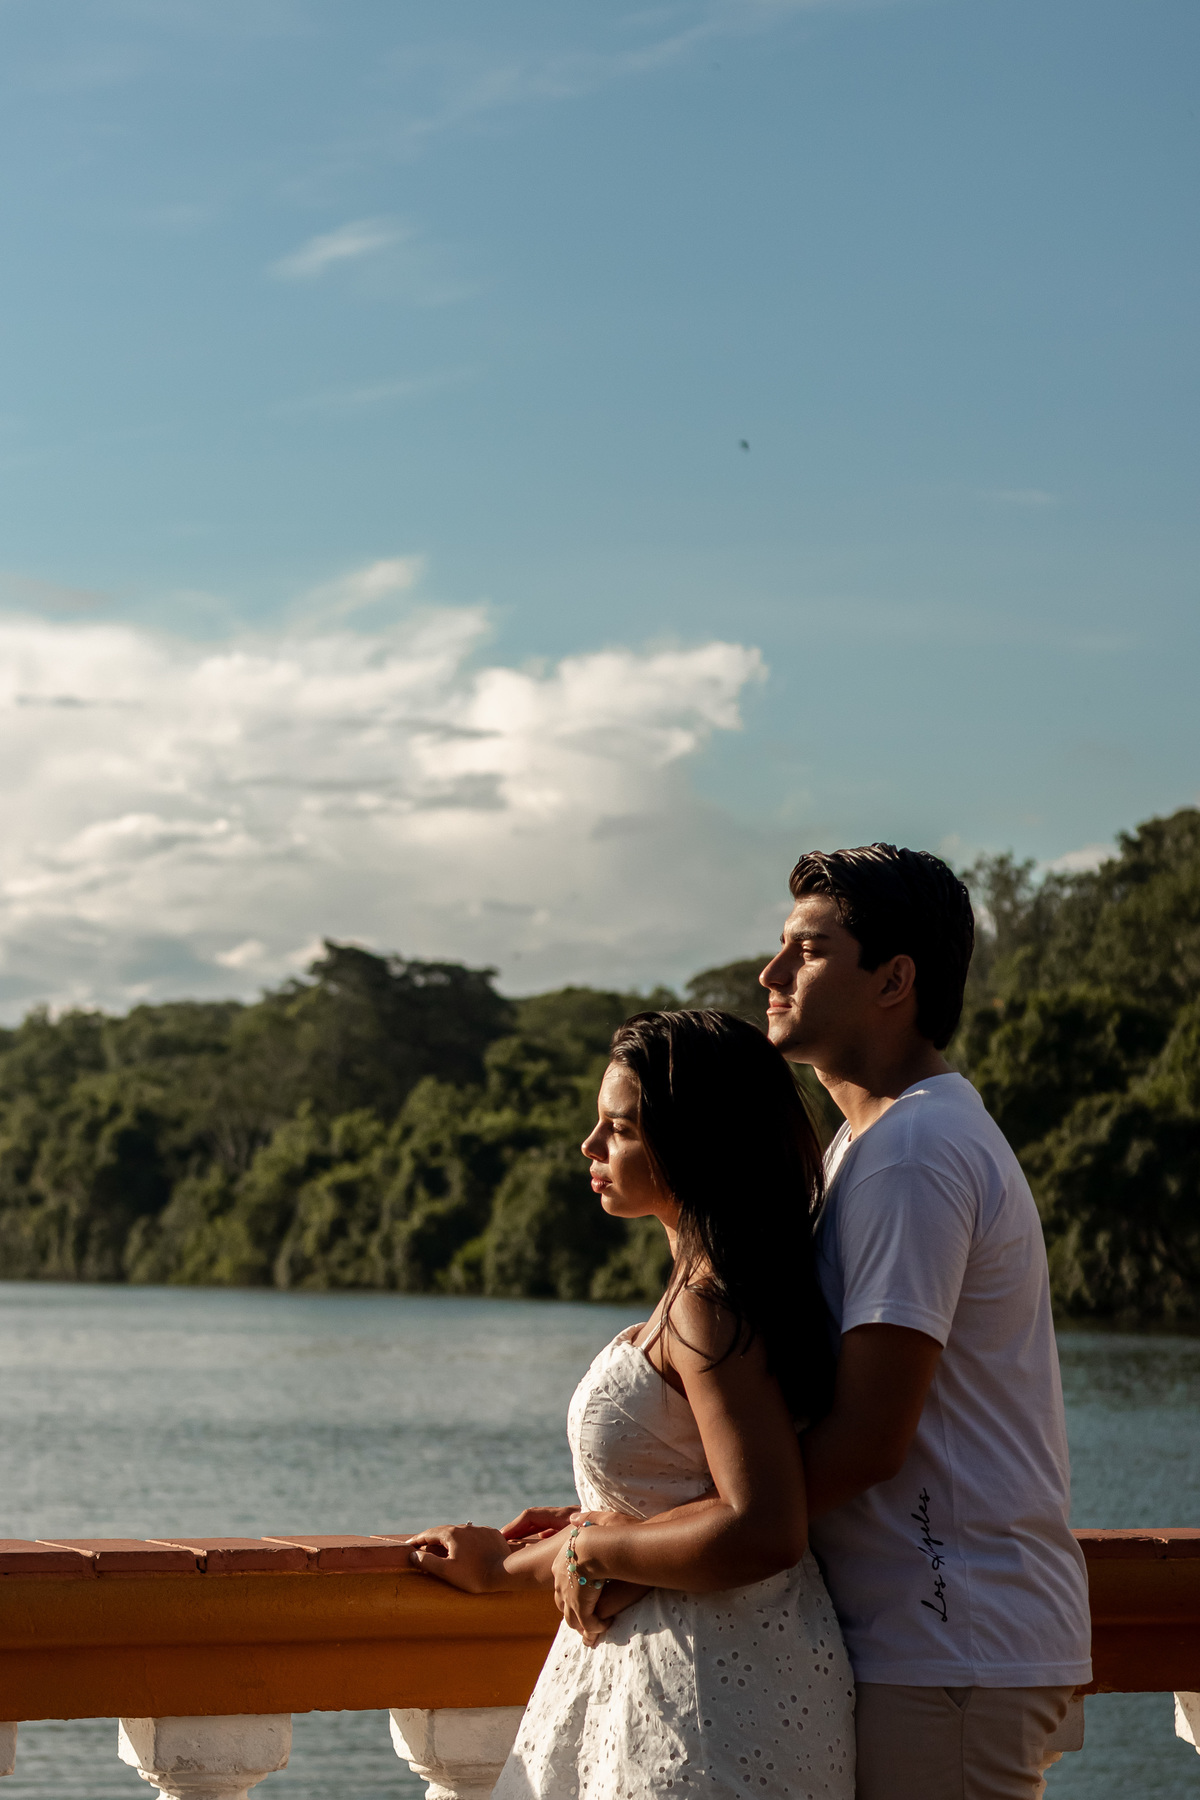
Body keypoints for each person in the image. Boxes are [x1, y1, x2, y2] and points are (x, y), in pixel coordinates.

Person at [405, 1008, 855, 1800]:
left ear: (694, 1144)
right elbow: (690, 1497)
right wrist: (575, 1533)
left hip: (709, 1698)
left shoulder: (709, 1307)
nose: (590, 1145)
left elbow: (763, 1526)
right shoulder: (707, 1292)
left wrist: (568, 1556)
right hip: (689, 1674)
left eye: (618, 1128)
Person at [758, 843, 1092, 1799]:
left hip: (950, 1645)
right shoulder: (869, 1144)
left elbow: (868, 1439)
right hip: (936, 1643)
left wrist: (695, 1535)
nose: (771, 973)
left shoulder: (913, 1150)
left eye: (809, 950)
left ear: (893, 978)